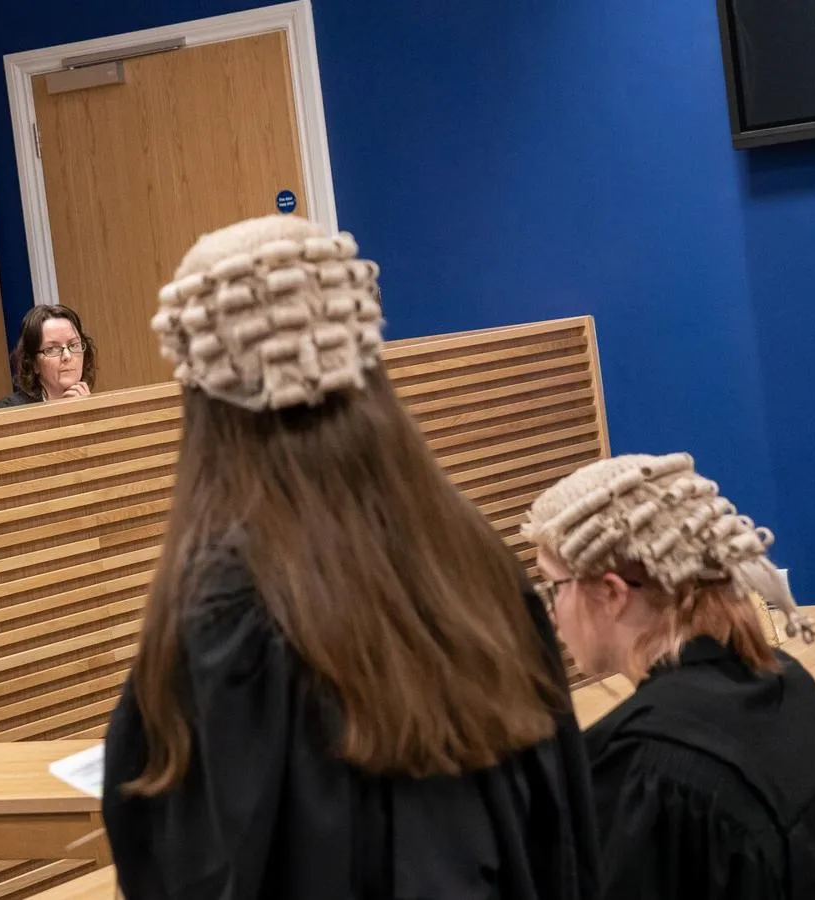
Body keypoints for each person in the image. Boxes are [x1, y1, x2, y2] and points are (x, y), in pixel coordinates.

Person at [102, 215, 597, 899]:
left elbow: (186, 859)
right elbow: (562, 831)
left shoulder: (229, 611)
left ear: (202, 396)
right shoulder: (476, 563)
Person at [527, 452, 815, 897]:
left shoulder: (645, 766)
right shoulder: (784, 680)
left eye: (554, 587)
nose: (551, 611)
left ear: (611, 592)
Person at [0, 304, 96, 409]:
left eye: (74, 345)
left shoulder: (95, 406)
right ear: (33, 363)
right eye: (52, 349)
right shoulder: (6, 411)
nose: (67, 356)